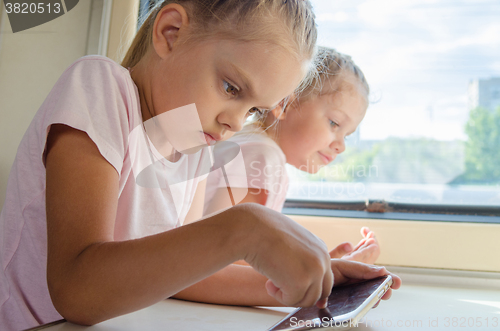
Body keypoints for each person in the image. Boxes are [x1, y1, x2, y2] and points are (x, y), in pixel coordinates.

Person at [0, 1, 400, 330]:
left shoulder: (195, 148)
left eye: (254, 109)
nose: (234, 123)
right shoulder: (100, 87)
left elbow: (185, 278)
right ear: (171, 32)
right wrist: (245, 228)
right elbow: (76, 289)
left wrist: (313, 280)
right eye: (231, 88)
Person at [204, 47, 380, 264]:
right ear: (284, 103)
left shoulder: (249, 142)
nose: (341, 146)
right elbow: (226, 255)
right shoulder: (262, 155)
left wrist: (320, 267)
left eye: (348, 135)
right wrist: (319, 273)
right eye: (334, 123)